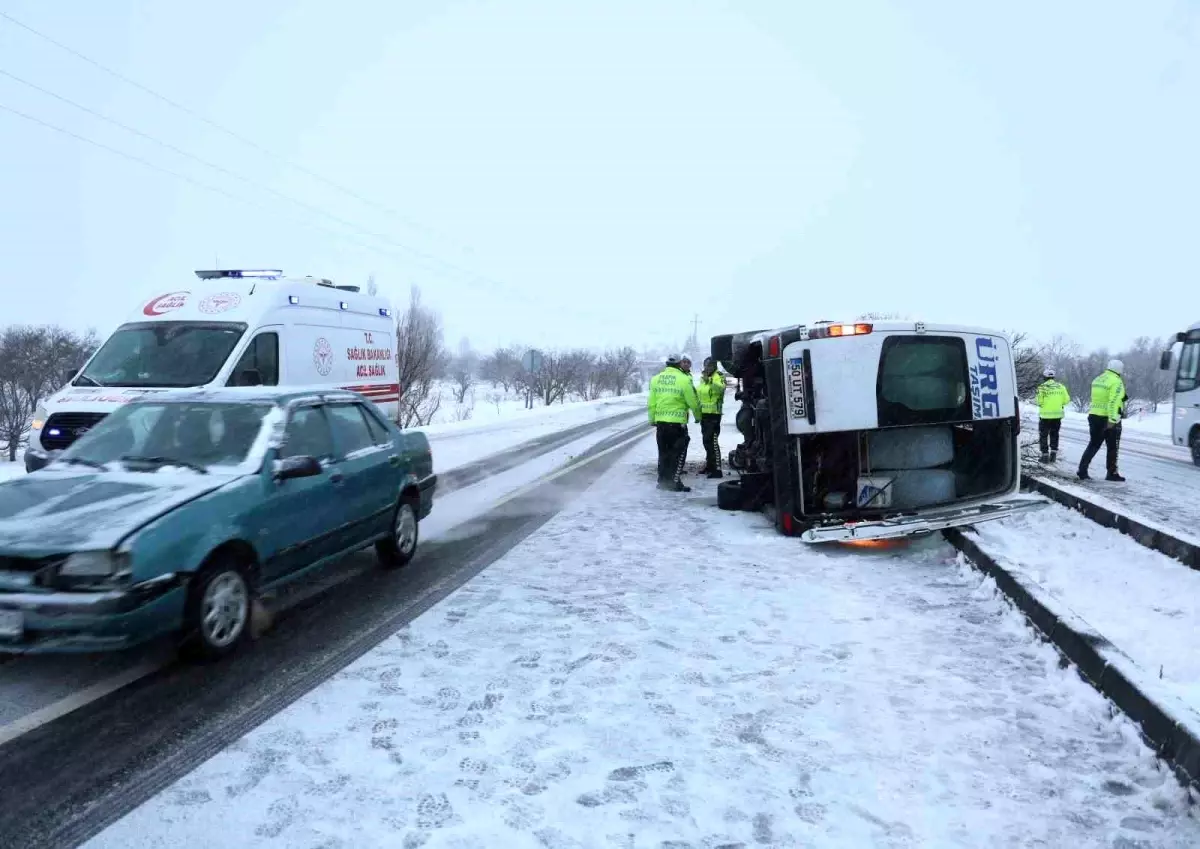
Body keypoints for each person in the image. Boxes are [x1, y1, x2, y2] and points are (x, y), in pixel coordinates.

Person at [648, 355, 702, 491]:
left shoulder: (655, 380)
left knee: (663, 452)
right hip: (677, 424)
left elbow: (651, 402)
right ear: (679, 364)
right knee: (678, 453)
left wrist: (652, 419)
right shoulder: (684, 380)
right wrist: (698, 416)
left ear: (666, 364)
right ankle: (674, 482)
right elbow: (693, 402)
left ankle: (662, 481)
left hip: (661, 424)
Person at [1077, 358, 1126, 482]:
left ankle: (1082, 470)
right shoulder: (1116, 381)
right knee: (1112, 447)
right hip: (1108, 418)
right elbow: (1114, 401)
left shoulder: (1098, 379)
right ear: (1119, 370)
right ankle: (1111, 473)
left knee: (1093, 444)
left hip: (1094, 415)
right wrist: (1113, 419)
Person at [697, 357, 727, 477]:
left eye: (710, 366)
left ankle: (717, 469)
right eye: (706, 366)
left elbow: (720, 389)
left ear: (714, 366)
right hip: (704, 414)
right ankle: (710, 465)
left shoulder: (718, 376)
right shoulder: (703, 378)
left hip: (714, 414)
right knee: (706, 442)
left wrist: (709, 380)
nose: (707, 368)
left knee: (713, 442)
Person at [1035, 367, 1070, 463]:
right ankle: (1053, 455)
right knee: (1055, 434)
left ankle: (1045, 456)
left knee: (1044, 435)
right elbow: (1066, 400)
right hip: (1057, 416)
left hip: (1045, 416)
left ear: (1044, 377)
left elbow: (1038, 401)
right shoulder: (1061, 387)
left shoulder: (1042, 387)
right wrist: (1058, 403)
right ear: (1053, 377)